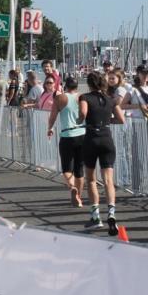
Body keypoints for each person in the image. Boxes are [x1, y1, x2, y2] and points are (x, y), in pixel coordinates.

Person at [79, 71, 126, 234]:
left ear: (89, 84)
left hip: (91, 139)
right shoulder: (110, 99)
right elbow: (121, 120)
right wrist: (106, 121)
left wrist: (80, 121)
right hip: (107, 138)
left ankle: (96, 217)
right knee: (108, 180)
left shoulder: (85, 97)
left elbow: (84, 113)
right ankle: (111, 214)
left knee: (91, 180)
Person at [47, 76, 86, 207]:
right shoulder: (82, 97)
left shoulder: (60, 98)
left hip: (67, 135)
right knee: (79, 169)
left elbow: (52, 116)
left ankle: (72, 187)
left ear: (65, 86)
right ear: (77, 86)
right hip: (82, 134)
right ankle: (79, 198)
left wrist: (50, 128)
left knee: (67, 168)